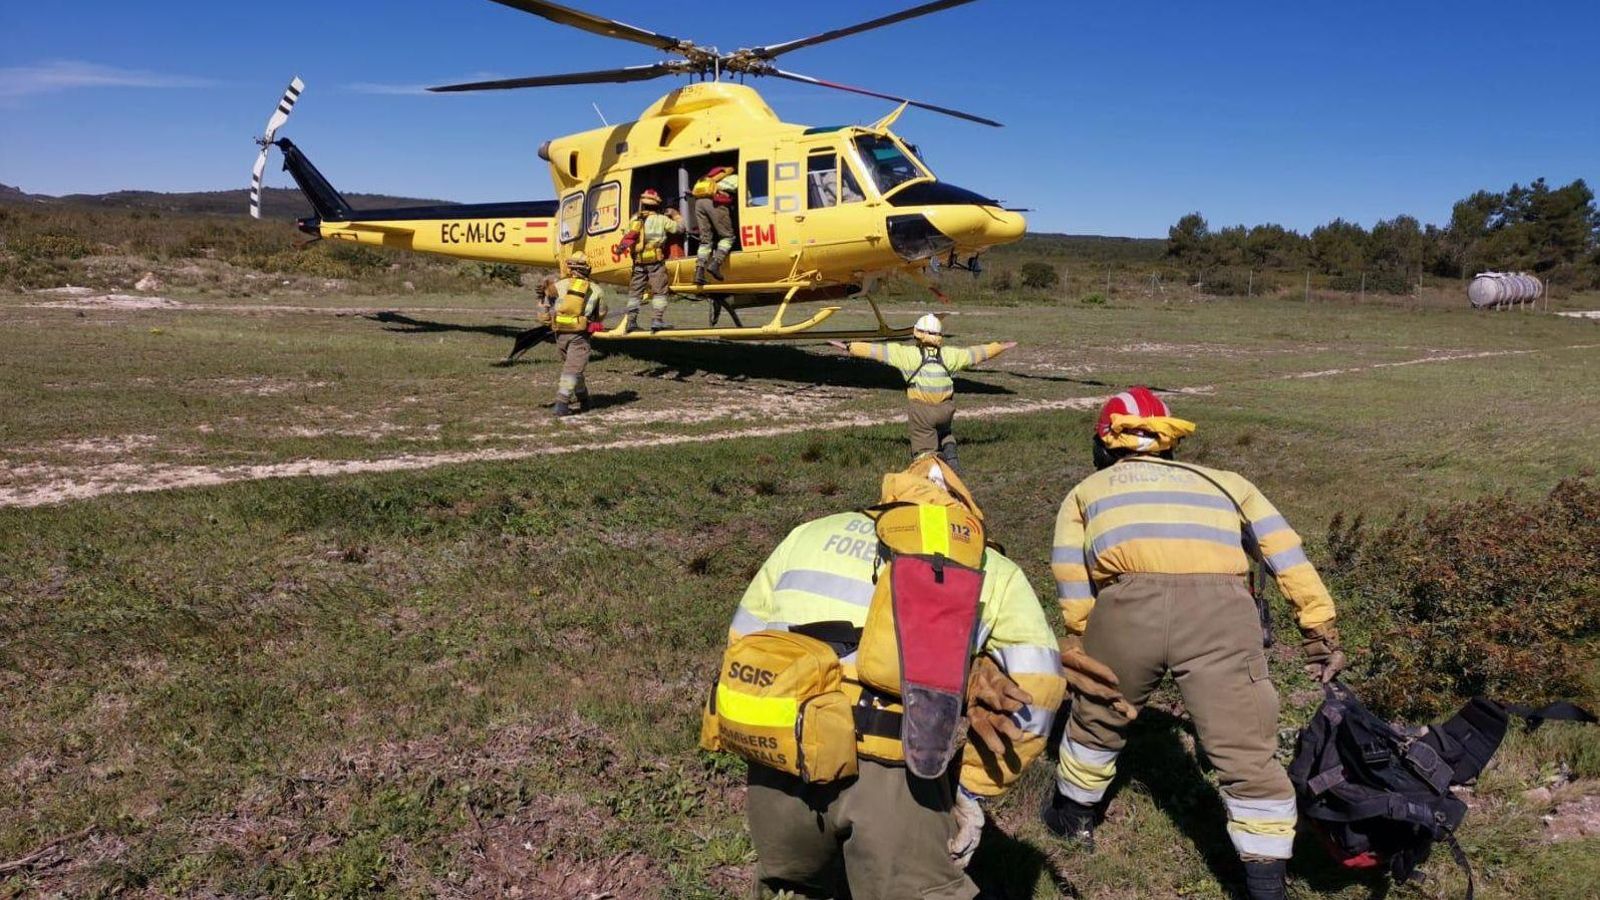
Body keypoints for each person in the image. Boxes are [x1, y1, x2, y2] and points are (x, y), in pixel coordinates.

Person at [1043, 386, 1347, 900]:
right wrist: (1318, 627)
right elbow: (1284, 551)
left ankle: (1072, 818)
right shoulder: (1229, 484)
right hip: (1223, 612)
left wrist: (1083, 637)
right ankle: (1267, 883)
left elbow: (1071, 575)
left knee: (1097, 715)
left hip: (1125, 610)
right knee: (1246, 748)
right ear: (1168, 443)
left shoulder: (1085, 493)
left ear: (1104, 443)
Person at [716, 456, 1068, 900]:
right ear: (963, 512)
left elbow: (742, 643)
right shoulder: (988, 567)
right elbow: (1039, 689)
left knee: (792, 887)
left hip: (784, 758)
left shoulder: (807, 535)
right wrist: (973, 789)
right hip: (894, 770)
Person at [829, 315, 1016, 472]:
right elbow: (976, 353)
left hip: (922, 413)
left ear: (917, 334)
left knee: (924, 448)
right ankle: (951, 455)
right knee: (944, 431)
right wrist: (999, 346)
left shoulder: (906, 355)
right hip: (945, 410)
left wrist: (848, 346)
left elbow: (876, 351)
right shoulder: (951, 355)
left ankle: (931, 471)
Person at [545, 253, 606, 417]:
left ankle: (583, 398)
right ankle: (562, 403)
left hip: (560, 335)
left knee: (572, 369)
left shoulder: (558, 286)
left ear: (569, 267)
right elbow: (601, 314)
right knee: (572, 371)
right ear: (588, 269)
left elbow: (549, 308)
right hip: (580, 336)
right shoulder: (596, 289)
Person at [622, 188, 683, 332]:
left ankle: (631, 322)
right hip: (655, 262)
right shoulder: (662, 219)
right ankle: (657, 320)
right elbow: (680, 229)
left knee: (635, 294)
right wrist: (676, 215)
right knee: (660, 292)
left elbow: (627, 235)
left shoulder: (634, 219)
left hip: (638, 262)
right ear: (657, 205)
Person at [693, 165, 739, 285]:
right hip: (715, 201)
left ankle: (699, 272)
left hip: (699, 203)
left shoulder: (704, 180)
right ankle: (716, 264)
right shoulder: (734, 177)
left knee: (705, 240)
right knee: (728, 236)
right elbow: (738, 189)